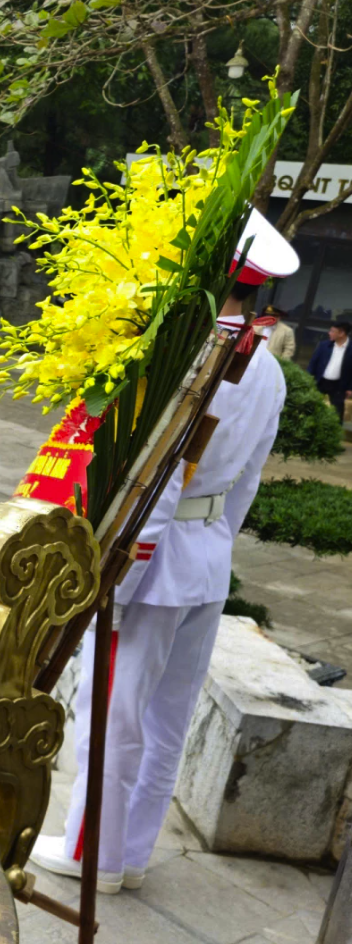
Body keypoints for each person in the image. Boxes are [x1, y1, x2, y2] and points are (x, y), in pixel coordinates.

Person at [30, 209, 297, 895]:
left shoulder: (195, 354)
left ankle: (98, 857)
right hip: (205, 558)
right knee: (166, 717)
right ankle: (133, 847)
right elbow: (246, 482)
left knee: (114, 713)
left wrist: (123, 574)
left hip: (155, 562)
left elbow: (166, 471)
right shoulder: (266, 366)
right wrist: (217, 550)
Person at [310, 320, 352, 420]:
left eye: (333, 331)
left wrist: (350, 388)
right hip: (320, 381)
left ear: (341, 333)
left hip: (339, 385)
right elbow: (313, 363)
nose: (329, 333)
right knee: (311, 405)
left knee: (337, 413)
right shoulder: (324, 345)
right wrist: (309, 379)